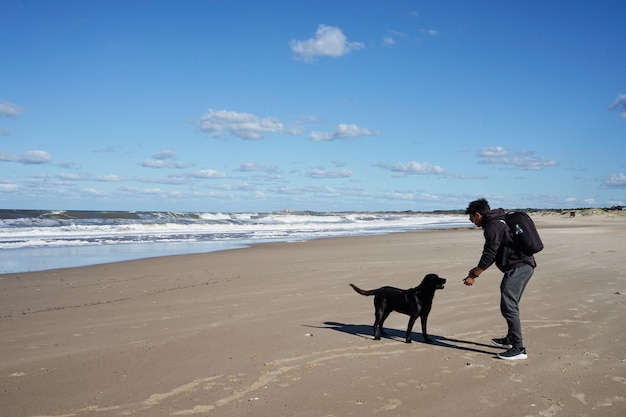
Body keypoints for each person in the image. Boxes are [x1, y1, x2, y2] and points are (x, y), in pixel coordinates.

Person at [463, 198, 536, 360]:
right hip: (523, 266)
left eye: (471, 218)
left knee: (509, 307)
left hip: (519, 267)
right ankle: (511, 340)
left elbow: (490, 253)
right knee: (509, 305)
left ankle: (518, 348)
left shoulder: (492, 226)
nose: (471, 221)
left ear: (478, 215)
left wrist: (474, 274)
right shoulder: (499, 220)